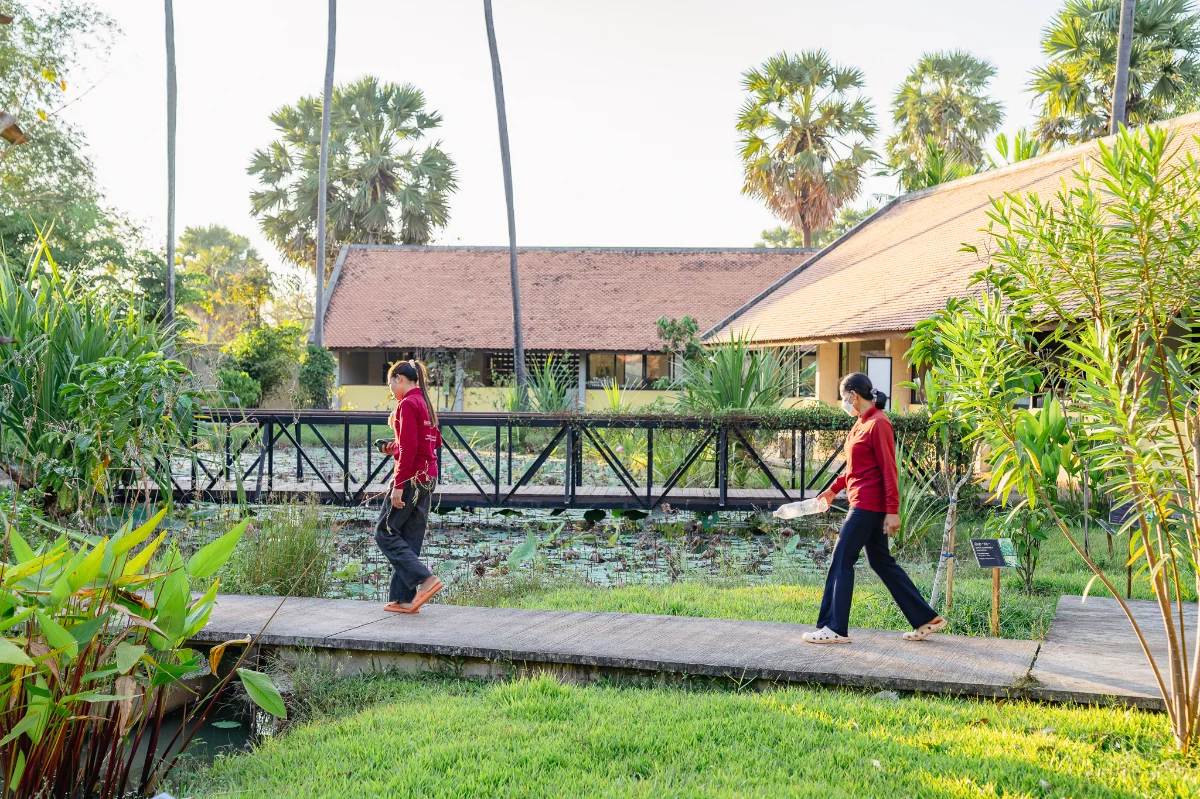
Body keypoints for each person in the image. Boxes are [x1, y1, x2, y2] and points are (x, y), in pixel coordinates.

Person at [802, 372, 947, 644]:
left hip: (869, 505)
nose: (842, 401)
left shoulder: (879, 424)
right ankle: (926, 619)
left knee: (841, 559)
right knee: (880, 561)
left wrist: (893, 510)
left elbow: (889, 470)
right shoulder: (860, 424)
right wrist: (833, 489)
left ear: (853, 395)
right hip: (862, 501)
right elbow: (856, 468)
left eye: (843, 396)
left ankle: (834, 628)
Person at [373, 359, 445, 614]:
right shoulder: (425, 403)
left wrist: (398, 485)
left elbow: (411, 449)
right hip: (428, 478)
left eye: (391, 384)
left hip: (412, 478)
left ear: (399, 379)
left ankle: (426, 580)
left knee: (385, 532)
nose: (391, 391)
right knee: (409, 537)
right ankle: (404, 600)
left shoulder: (407, 404)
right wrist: (394, 446)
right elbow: (433, 442)